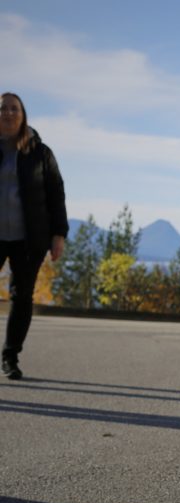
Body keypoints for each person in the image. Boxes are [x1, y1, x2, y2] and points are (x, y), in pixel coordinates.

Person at [0, 92, 68, 379]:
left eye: (14, 108)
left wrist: (59, 234)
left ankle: (10, 357)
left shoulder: (40, 152)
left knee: (22, 296)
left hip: (29, 238)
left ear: (23, 114)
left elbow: (56, 193)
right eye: (3, 108)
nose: (8, 112)